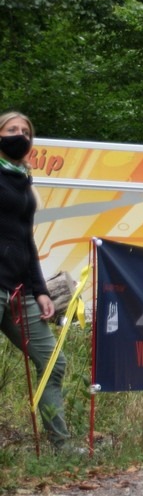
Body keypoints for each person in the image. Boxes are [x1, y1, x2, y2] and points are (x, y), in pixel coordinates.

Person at [0, 111, 72, 450]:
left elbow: (26, 239)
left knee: (52, 361)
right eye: (11, 129)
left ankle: (61, 447)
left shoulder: (23, 179)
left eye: (25, 131)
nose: (19, 135)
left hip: (19, 289)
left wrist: (40, 290)